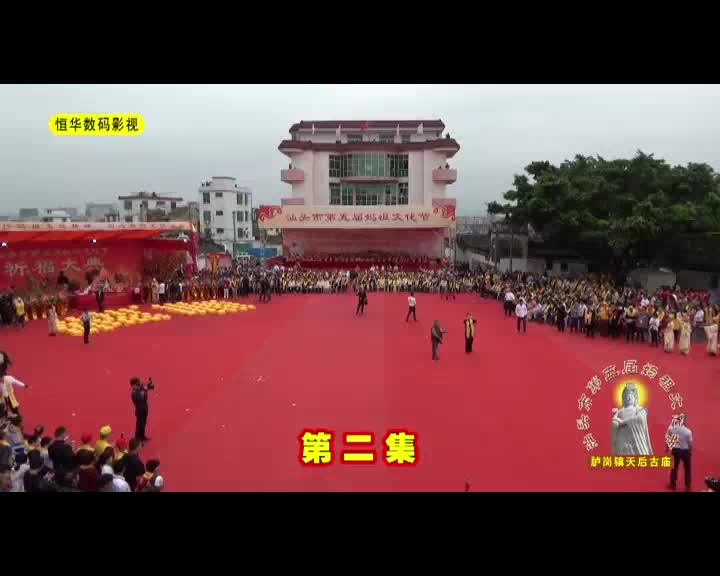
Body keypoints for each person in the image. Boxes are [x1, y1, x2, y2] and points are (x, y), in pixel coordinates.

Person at [668, 414, 692, 492]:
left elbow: (670, 439)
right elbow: (690, 444)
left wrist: (667, 447)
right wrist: (690, 451)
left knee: (674, 468)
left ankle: (673, 484)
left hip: (676, 450)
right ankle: (688, 485)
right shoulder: (688, 431)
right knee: (687, 469)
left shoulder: (672, 429)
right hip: (685, 451)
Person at [131, 377, 153, 443]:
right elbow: (141, 397)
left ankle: (142, 436)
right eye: (137, 384)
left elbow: (151, 387)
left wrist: (149, 385)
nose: (139, 384)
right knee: (139, 425)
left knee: (143, 424)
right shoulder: (134, 393)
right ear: (133, 385)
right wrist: (145, 389)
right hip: (139, 410)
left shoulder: (140, 388)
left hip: (144, 408)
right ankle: (137, 439)